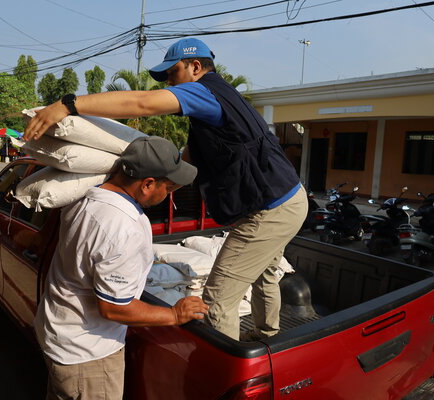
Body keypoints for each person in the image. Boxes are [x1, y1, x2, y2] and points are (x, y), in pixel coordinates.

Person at [25, 37, 308, 342]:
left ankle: (228, 376)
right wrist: (154, 183)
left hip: (270, 211)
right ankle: (268, 336)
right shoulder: (219, 107)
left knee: (216, 300)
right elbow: (187, 159)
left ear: (195, 67)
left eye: (173, 74)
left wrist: (68, 105)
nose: (170, 84)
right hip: (291, 199)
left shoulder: (205, 92)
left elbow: (142, 103)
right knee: (264, 273)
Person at [34, 136, 208, 400]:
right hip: (87, 356)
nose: (169, 196)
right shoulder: (124, 227)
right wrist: (173, 315)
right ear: (148, 184)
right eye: (169, 188)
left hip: (59, 336)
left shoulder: (84, 196)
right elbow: (113, 307)